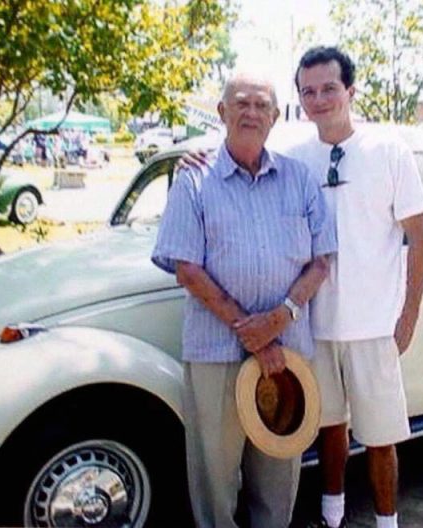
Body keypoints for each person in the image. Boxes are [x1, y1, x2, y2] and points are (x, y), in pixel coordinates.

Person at [151, 72, 336, 528]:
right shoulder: (194, 180)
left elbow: (321, 261)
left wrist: (280, 319)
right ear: (222, 112)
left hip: (288, 358)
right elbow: (186, 268)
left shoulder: (299, 179)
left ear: (275, 117)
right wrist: (251, 331)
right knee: (215, 480)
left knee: (278, 476)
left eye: (261, 105)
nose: (251, 113)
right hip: (217, 353)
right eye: (241, 103)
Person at [289, 46, 423, 528]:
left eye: (329, 88)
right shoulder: (295, 160)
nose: (319, 99)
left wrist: (408, 316)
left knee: (380, 436)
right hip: (317, 325)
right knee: (330, 428)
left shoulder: (388, 151)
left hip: (373, 325)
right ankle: (332, 516)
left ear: (350, 90)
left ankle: (387, 522)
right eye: (308, 92)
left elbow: (419, 236)